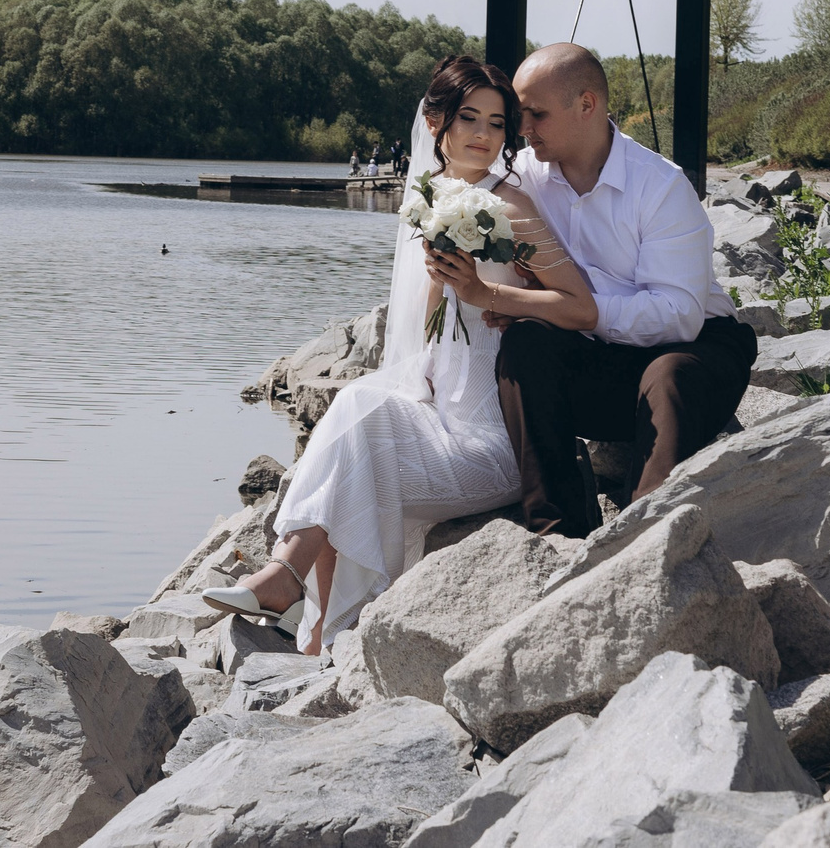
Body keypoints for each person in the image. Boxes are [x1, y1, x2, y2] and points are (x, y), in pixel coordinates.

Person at [201, 56, 589, 653]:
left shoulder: (510, 207)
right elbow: (421, 340)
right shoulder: (427, 202)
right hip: (439, 413)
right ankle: (316, 628)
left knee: (362, 414)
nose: (484, 135)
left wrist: (492, 294)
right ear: (435, 122)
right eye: (469, 118)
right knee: (363, 402)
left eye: (496, 121)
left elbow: (580, 306)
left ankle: (294, 589)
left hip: (498, 439)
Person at [461, 42, 756, 538]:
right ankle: (556, 534)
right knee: (526, 346)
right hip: (599, 364)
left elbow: (678, 315)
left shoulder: (660, 186)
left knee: (668, 375)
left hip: (693, 353)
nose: (523, 129)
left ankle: (642, 537)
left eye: (536, 114)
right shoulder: (524, 180)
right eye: (519, 115)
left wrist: (576, 309)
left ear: (587, 105)